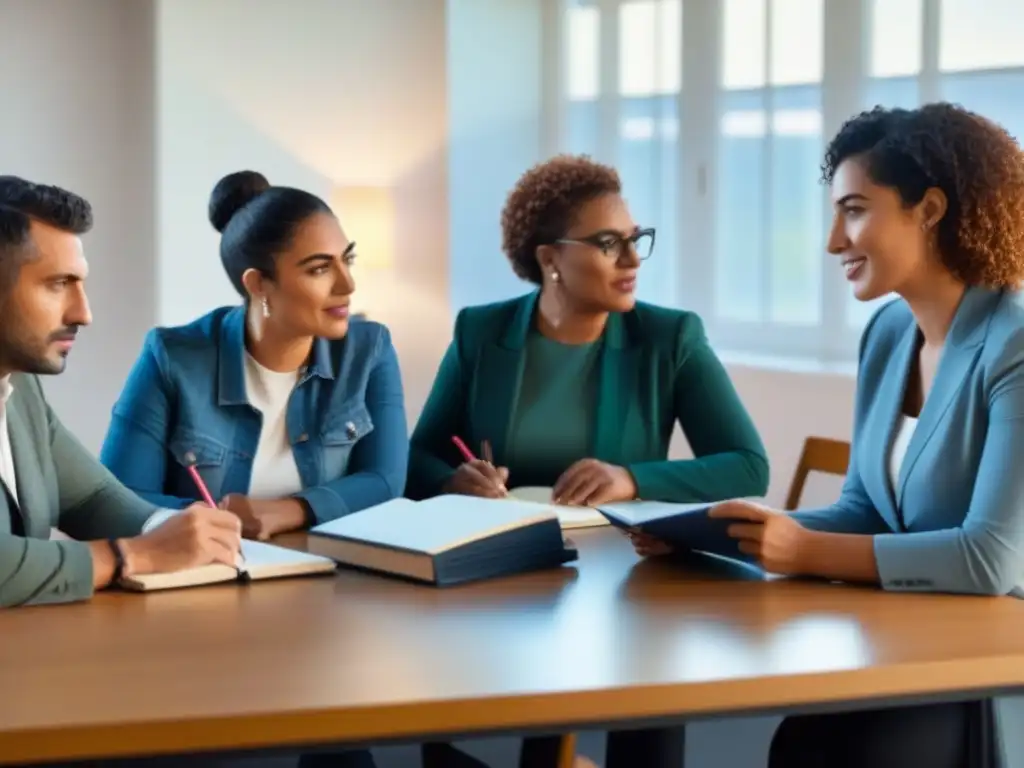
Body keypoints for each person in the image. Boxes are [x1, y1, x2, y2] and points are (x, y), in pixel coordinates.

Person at [632, 102, 1024, 767]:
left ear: (929, 210)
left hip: (982, 669)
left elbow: (991, 559)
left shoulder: (1012, 345)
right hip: (897, 644)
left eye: (854, 210)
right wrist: (729, 529)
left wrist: (803, 551)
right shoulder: (889, 335)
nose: (833, 242)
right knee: (804, 744)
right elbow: (865, 510)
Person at [408, 154, 770, 768]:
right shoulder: (480, 333)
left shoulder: (671, 337)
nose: (631, 262)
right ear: (550, 259)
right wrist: (453, 478)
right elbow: (418, 454)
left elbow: (747, 465)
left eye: (634, 241)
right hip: (503, 579)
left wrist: (632, 478)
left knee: (644, 721)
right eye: (609, 245)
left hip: (624, 576)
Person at [99, 171, 408, 545]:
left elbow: (386, 479)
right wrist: (220, 521)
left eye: (348, 259)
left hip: (333, 578)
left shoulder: (370, 349)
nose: (348, 285)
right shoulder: (172, 358)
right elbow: (118, 502)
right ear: (258, 284)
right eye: (320, 269)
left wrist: (291, 510)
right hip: (205, 579)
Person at [0, 176, 243, 609]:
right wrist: (135, 555)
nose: (84, 313)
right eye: (58, 284)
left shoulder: (18, 387)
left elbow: (90, 496)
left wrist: (175, 529)